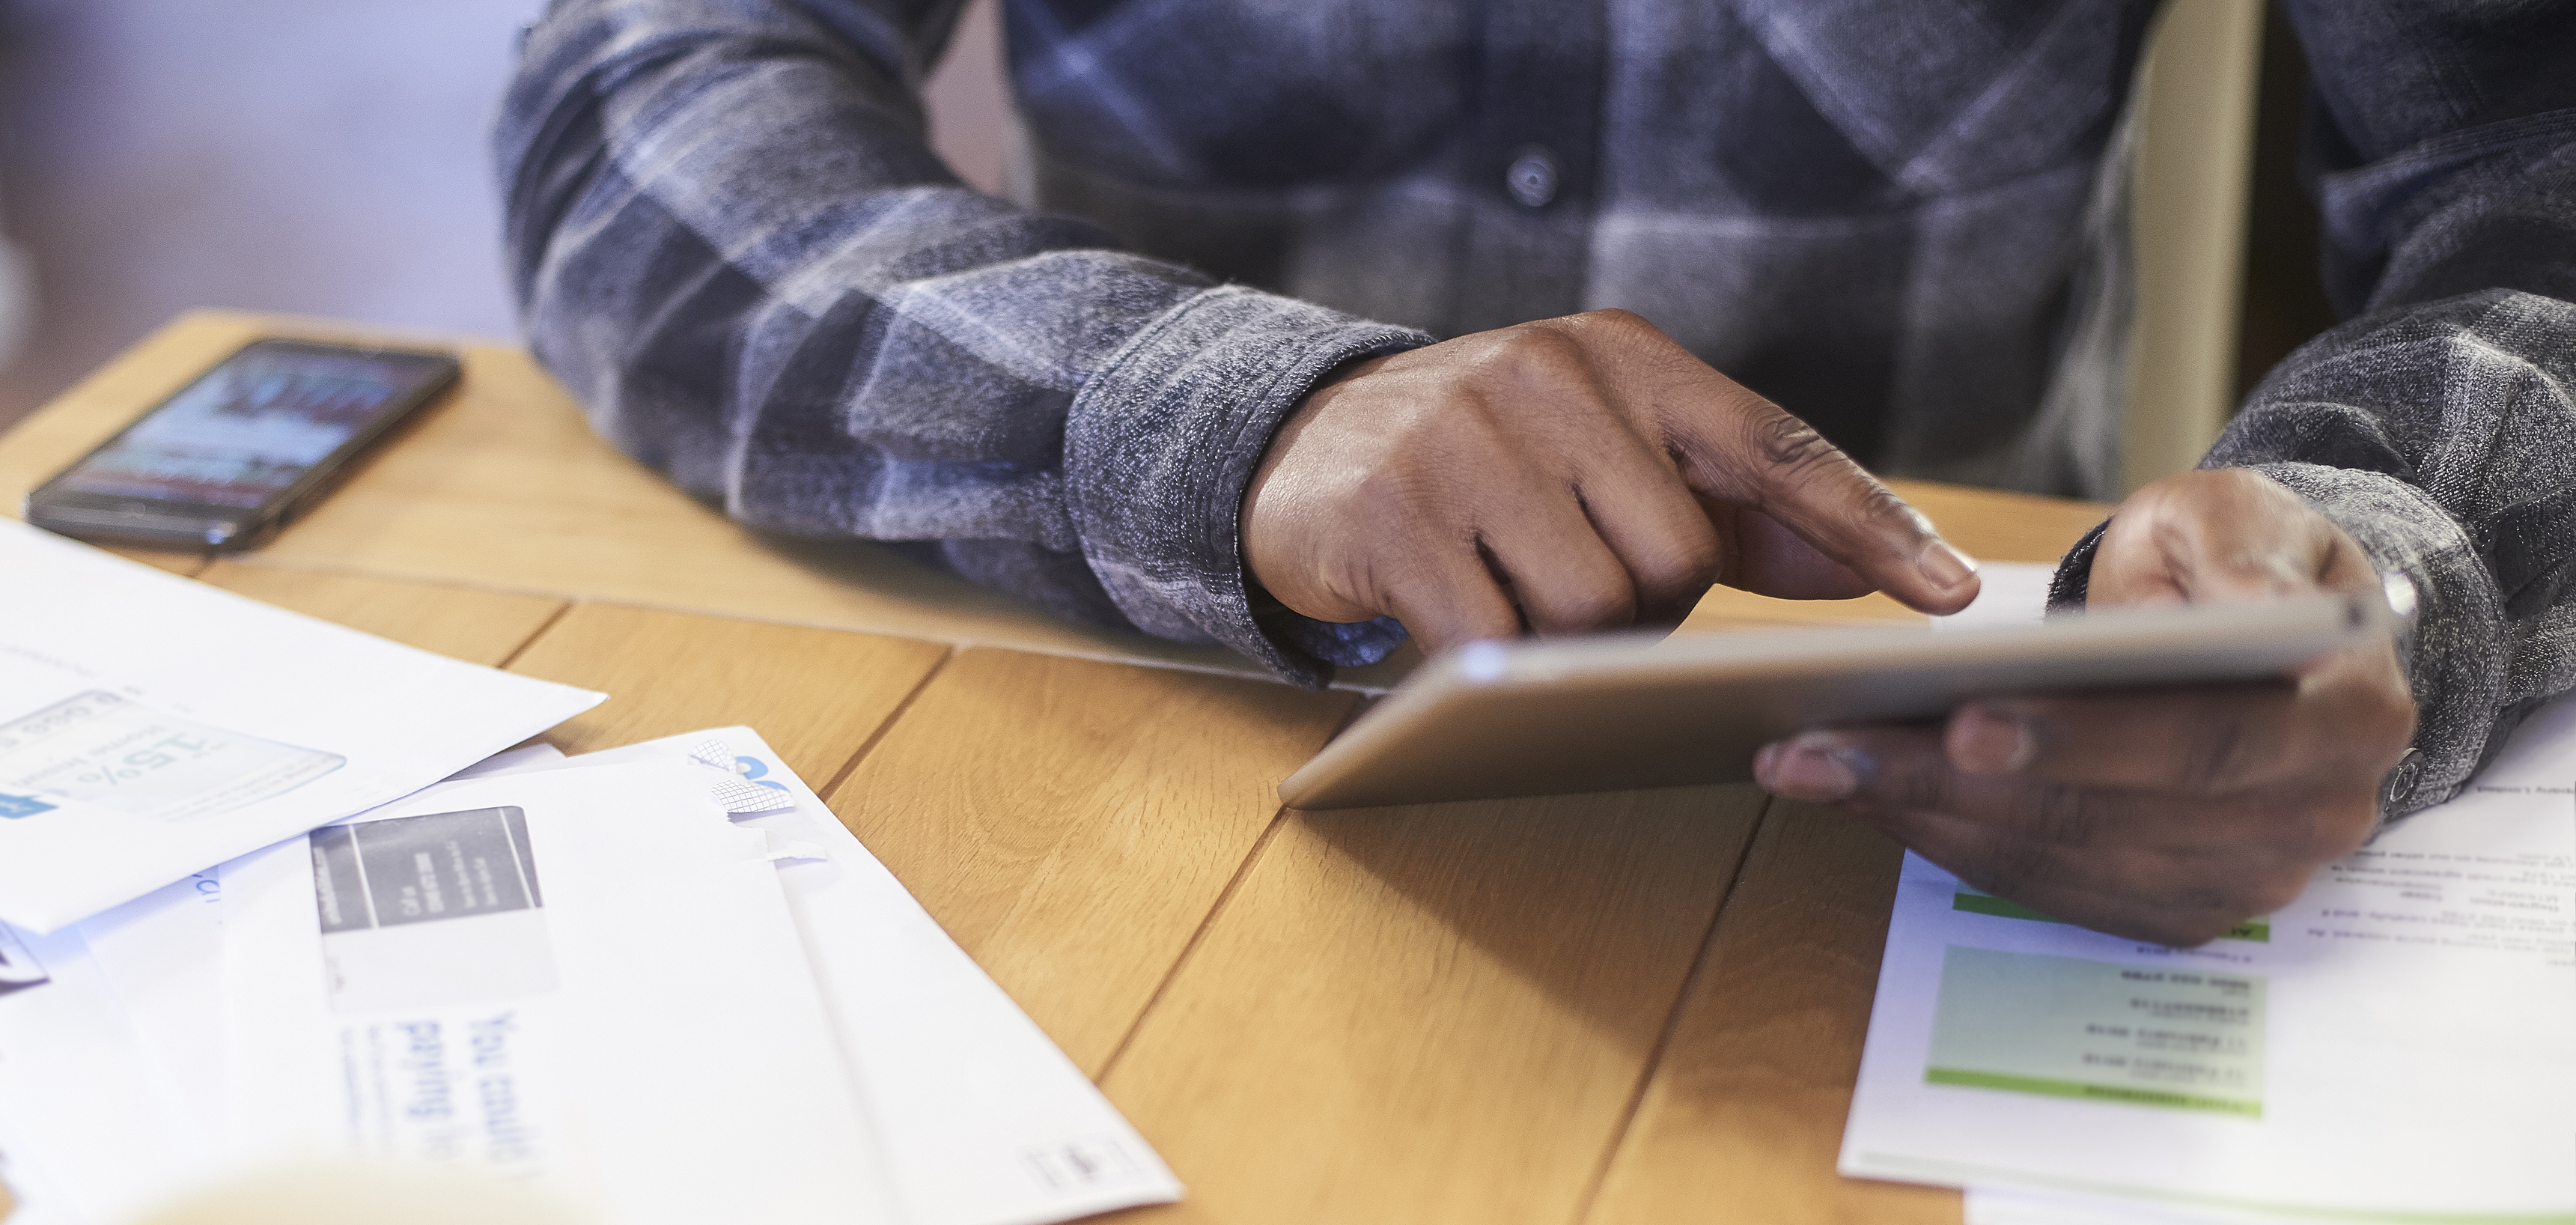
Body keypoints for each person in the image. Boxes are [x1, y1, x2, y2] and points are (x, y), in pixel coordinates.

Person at [493, 1, 2576, 943]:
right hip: (1135, 733)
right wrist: (1242, 413)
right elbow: (635, 92)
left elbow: (2530, 180)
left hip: (1913, 864)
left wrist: (2387, 571)